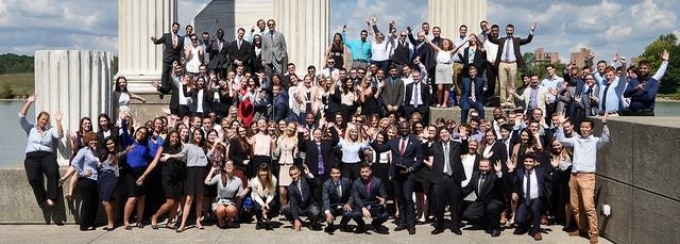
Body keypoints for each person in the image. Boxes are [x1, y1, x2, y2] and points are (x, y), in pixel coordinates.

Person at [556, 113, 610, 244]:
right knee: (575, 205)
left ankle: (594, 233)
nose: (584, 129)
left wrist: (604, 124)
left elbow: (606, 138)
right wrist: (561, 124)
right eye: (582, 127)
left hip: (587, 177)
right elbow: (561, 139)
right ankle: (582, 229)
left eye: (587, 127)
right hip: (574, 176)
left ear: (591, 129)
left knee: (588, 206)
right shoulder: (576, 140)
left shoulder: (595, 141)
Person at [158, 129, 210, 232]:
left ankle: (198, 221)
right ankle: (183, 224)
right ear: (193, 135)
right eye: (196, 134)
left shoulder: (204, 147)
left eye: (200, 134)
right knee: (189, 199)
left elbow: (211, 156)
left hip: (202, 172)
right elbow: (181, 155)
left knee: (200, 198)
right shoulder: (188, 146)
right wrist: (169, 156)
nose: (198, 136)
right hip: (191, 172)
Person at [425, 127, 468, 235]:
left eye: (446, 132)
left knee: (454, 204)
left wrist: (464, 138)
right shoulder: (435, 145)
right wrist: (426, 140)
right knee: (439, 204)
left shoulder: (456, 144)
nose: (444, 134)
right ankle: (439, 226)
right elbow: (424, 152)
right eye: (442, 132)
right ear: (439, 135)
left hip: (453, 178)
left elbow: (465, 150)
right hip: (440, 177)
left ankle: (455, 226)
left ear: (449, 134)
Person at [507, 152, 559, 241]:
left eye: (530, 161)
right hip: (524, 200)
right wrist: (511, 171)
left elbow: (554, 180)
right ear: (523, 162)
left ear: (534, 163)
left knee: (535, 208)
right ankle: (527, 223)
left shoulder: (540, 171)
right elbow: (514, 183)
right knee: (519, 220)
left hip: (537, 199)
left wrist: (555, 168)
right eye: (526, 161)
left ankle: (537, 230)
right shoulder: (520, 172)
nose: (528, 163)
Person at [137, 131, 184, 230]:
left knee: (176, 201)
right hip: (167, 177)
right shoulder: (163, 148)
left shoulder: (180, 148)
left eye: (177, 137)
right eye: (172, 137)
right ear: (169, 137)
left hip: (178, 177)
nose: (175, 139)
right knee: (170, 202)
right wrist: (144, 175)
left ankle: (170, 222)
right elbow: (154, 163)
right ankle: (155, 216)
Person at [488, 22, 537, 109]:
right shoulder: (501, 40)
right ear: (506, 31)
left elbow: (527, 40)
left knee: (512, 84)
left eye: (511, 30)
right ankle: (503, 102)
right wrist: (488, 31)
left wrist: (532, 31)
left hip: (513, 63)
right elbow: (491, 40)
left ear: (513, 31)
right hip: (502, 63)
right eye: (508, 30)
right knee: (502, 84)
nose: (509, 32)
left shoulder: (517, 40)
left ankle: (510, 101)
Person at [389, 121, 423, 235]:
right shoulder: (393, 141)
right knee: (400, 199)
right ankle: (402, 222)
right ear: (399, 129)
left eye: (407, 128)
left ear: (409, 129)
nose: (405, 129)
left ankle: (411, 224)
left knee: (408, 199)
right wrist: (371, 138)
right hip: (396, 175)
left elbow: (419, 159)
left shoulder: (416, 142)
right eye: (402, 128)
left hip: (408, 174)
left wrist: (411, 169)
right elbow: (380, 148)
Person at [120, 117, 153, 229]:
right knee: (132, 198)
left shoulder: (146, 147)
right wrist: (124, 121)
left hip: (142, 172)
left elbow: (151, 159)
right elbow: (124, 131)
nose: (141, 134)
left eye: (144, 133)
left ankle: (139, 221)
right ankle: (126, 221)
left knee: (141, 198)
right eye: (139, 132)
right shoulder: (129, 142)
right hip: (131, 172)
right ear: (136, 132)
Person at [462, 158, 506, 237]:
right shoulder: (475, 175)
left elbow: (502, 186)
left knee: (491, 208)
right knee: (467, 214)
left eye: (485, 166)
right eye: (481, 166)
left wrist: (499, 172)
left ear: (490, 167)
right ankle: (484, 222)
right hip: (481, 201)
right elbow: (468, 188)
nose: (483, 168)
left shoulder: (494, 176)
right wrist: (456, 195)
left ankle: (495, 228)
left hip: (494, 201)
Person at [99, 137, 132, 230]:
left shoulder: (116, 154)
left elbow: (121, 154)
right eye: (108, 144)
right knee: (110, 201)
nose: (110, 146)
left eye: (112, 143)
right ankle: (112, 221)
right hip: (103, 178)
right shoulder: (103, 154)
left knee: (105, 201)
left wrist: (126, 151)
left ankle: (110, 223)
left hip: (112, 177)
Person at [624, 50, 669, 116]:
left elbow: (649, 97)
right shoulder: (633, 81)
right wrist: (636, 88)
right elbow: (625, 94)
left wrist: (634, 96)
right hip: (632, 113)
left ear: (649, 69)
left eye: (645, 68)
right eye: (641, 68)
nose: (642, 70)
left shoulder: (653, 82)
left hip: (646, 113)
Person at [70, 132, 100, 231]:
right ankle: (84, 225)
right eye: (91, 140)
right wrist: (82, 173)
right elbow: (74, 162)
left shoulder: (95, 151)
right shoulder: (84, 150)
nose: (94, 142)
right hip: (86, 180)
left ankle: (91, 223)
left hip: (95, 180)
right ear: (87, 141)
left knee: (94, 202)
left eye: (95, 140)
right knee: (87, 203)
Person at [205, 160, 246, 228]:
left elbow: (240, 195)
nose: (229, 166)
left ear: (234, 167)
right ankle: (220, 220)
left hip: (230, 201)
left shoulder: (238, 180)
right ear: (224, 168)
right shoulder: (219, 177)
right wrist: (212, 170)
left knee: (231, 210)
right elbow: (207, 182)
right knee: (221, 209)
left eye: (231, 164)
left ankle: (229, 220)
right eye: (227, 165)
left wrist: (247, 188)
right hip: (219, 201)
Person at [350, 163, 389, 234]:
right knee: (355, 214)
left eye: (366, 172)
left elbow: (383, 195)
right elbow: (356, 197)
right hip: (361, 205)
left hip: (374, 205)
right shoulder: (355, 183)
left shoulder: (378, 181)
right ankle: (361, 225)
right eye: (362, 172)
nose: (364, 174)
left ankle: (375, 224)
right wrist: (363, 208)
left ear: (370, 171)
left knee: (385, 215)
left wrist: (383, 199)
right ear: (360, 172)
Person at [281, 165, 322, 231]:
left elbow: (318, 184)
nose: (294, 176)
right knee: (284, 208)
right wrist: (296, 219)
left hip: (310, 206)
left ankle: (313, 224)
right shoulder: (290, 188)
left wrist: (309, 174)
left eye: (295, 174)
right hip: (299, 208)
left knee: (315, 211)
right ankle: (296, 223)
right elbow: (293, 205)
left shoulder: (306, 179)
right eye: (291, 175)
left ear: (299, 172)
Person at [151, 22, 183, 98]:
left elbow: (181, 50)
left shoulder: (180, 38)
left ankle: (173, 89)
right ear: (172, 27)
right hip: (167, 58)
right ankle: (162, 90)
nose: (176, 29)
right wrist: (155, 40)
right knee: (165, 74)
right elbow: (158, 41)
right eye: (175, 27)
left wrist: (181, 58)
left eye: (177, 28)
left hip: (176, 60)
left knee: (174, 75)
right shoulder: (166, 36)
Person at [321, 165, 354, 233]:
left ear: (340, 173)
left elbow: (352, 194)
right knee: (326, 212)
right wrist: (328, 213)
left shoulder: (347, 181)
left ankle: (343, 225)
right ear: (330, 174)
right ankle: (331, 226)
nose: (336, 175)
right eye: (333, 173)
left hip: (343, 205)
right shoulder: (326, 184)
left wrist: (348, 203)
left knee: (349, 213)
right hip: (332, 206)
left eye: (338, 173)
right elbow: (326, 199)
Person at [250, 163, 277, 230]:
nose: (263, 173)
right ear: (258, 172)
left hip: (268, 196)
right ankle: (259, 221)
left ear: (268, 171)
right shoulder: (254, 181)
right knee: (257, 207)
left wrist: (267, 203)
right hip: (258, 196)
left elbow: (272, 194)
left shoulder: (273, 179)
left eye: (265, 171)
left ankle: (268, 221)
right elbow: (255, 195)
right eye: (261, 171)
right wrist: (262, 204)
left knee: (272, 204)